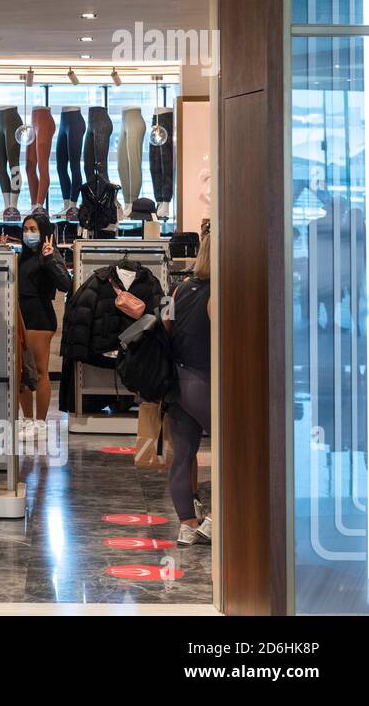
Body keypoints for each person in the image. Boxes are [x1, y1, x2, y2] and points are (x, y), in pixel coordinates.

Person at [165, 220, 212, 546]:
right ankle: (215, 521)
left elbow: (166, 327)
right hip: (205, 381)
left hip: (176, 382)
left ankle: (187, 524)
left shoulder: (179, 289)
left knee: (181, 455)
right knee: (234, 453)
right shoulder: (219, 293)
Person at [3, 213, 70, 436]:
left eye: (33, 229)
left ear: (44, 232)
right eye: (25, 229)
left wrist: (50, 259)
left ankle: (40, 422)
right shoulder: (22, 257)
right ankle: (27, 419)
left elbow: (66, 284)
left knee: (40, 371)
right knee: (22, 372)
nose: (28, 233)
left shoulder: (49, 255)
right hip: (21, 316)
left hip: (40, 317)